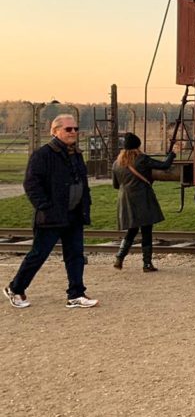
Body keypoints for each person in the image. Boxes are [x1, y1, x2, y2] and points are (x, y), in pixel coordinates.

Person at [4, 114, 97, 309]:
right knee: (39, 254)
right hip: (52, 216)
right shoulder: (43, 155)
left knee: (75, 255)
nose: (73, 133)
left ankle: (76, 294)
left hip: (74, 214)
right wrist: (45, 206)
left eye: (75, 129)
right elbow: (31, 183)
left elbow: (82, 181)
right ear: (55, 131)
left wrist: (85, 203)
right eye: (68, 129)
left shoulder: (76, 154)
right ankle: (15, 288)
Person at [111, 132, 175, 272]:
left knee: (132, 230)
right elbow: (164, 166)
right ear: (137, 146)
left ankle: (119, 257)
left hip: (125, 199)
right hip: (142, 198)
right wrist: (171, 155)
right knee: (146, 231)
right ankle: (147, 264)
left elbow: (116, 185)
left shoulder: (117, 163)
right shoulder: (141, 159)